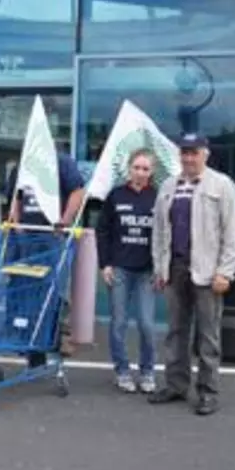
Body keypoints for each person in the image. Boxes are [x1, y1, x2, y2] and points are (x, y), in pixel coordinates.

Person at [149, 133, 235, 416]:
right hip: (176, 268)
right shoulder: (168, 185)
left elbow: (232, 232)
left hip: (208, 271)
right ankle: (176, 385)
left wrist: (225, 272)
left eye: (194, 152)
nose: (189, 158)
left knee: (208, 335)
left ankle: (208, 391)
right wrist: (160, 268)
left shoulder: (222, 185)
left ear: (206, 154)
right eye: (185, 152)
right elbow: (160, 232)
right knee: (176, 331)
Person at [6, 153, 85, 368]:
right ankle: (28, 341)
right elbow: (15, 196)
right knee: (25, 290)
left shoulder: (61, 161)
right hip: (27, 237)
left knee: (50, 291)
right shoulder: (22, 163)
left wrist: (65, 220)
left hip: (51, 237)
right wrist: (17, 222)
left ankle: (46, 342)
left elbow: (78, 191)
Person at [96, 148, 158, 394]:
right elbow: (103, 231)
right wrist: (105, 264)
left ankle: (147, 371)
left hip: (147, 271)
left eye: (145, 168)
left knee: (147, 324)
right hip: (119, 269)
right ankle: (122, 370)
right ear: (129, 169)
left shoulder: (158, 197)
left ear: (152, 172)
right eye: (136, 167)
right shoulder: (116, 196)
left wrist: (161, 268)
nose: (140, 172)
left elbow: (165, 235)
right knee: (119, 323)